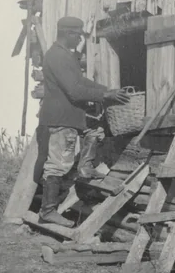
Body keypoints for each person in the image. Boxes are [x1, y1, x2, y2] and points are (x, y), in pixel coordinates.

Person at [37, 16, 131, 226]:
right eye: (78, 35)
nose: (80, 39)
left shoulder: (64, 56)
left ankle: (85, 168)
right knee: (58, 165)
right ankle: (47, 211)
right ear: (67, 33)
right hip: (62, 118)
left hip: (70, 116)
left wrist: (106, 90)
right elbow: (75, 91)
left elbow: (81, 81)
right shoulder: (58, 57)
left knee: (94, 132)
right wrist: (106, 97)